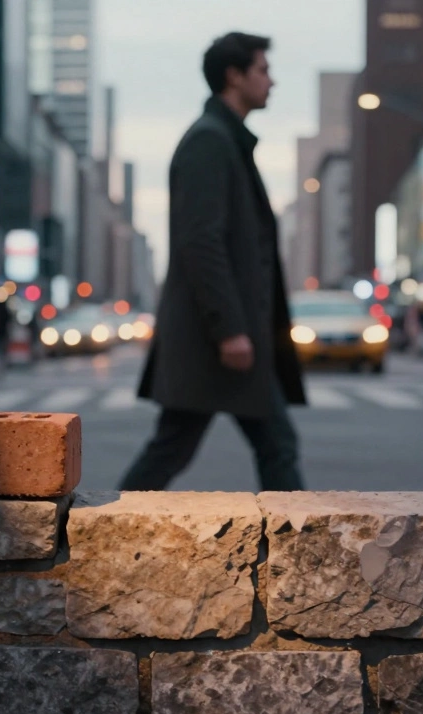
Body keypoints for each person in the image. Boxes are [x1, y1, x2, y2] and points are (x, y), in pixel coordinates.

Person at [120, 32, 306, 493]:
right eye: (263, 70)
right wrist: (229, 330)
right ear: (234, 76)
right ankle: (89, 525)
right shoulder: (210, 141)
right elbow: (200, 242)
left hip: (223, 334)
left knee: (191, 445)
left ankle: (91, 524)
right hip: (216, 337)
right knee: (256, 445)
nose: (272, 81)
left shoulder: (225, 140)